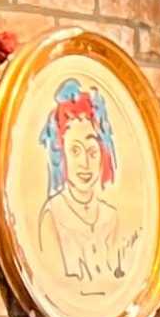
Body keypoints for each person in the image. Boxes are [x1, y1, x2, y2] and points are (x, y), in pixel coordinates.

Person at [36, 72, 141, 293]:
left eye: (92, 151)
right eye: (75, 150)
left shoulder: (110, 216)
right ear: (60, 154)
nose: (85, 162)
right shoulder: (53, 215)